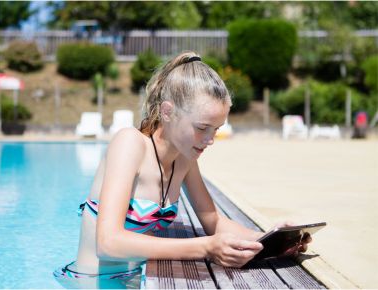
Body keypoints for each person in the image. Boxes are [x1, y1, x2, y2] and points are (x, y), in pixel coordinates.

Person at [54, 51, 311, 289]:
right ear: (168, 112)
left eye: (216, 130)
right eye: (202, 128)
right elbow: (107, 243)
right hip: (93, 282)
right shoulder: (130, 144)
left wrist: (271, 239)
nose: (210, 139)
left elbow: (214, 221)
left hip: (137, 279)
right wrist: (206, 247)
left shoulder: (185, 159)